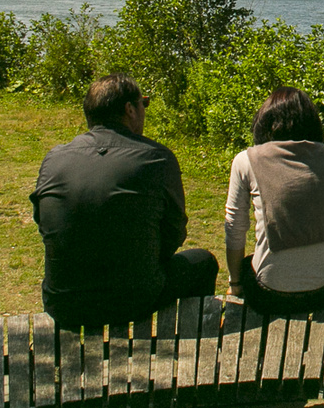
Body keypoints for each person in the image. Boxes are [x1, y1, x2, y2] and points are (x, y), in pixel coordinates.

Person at [31, 74, 218, 329]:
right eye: (143, 104)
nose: (143, 111)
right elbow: (174, 231)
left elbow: (46, 225)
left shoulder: (54, 158)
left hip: (64, 303)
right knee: (204, 263)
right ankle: (192, 344)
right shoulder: (156, 158)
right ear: (130, 109)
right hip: (134, 299)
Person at [225, 87, 324, 318]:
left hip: (270, 294)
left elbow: (234, 227)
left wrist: (236, 283)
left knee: (249, 264)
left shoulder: (246, 160)